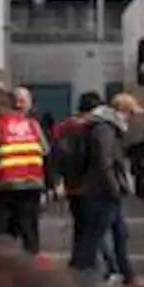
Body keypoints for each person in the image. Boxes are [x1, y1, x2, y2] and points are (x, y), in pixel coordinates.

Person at [73, 93, 144, 287]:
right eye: (131, 113)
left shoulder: (108, 127)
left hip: (106, 190)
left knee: (119, 233)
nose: (132, 118)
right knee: (95, 235)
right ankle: (81, 273)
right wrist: (114, 187)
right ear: (122, 111)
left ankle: (127, 274)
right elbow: (104, 162)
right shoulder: (104, 129)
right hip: (101, 191)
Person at [0, 89, 49, 254]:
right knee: (29, 231)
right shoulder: (32, 124)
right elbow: (45, 150)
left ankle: (3, 269)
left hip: (4, 185)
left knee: (2, 233)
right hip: (32, 183)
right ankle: (31, 268)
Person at [53, 92, 112, 273]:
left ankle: (79, 264)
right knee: (93, 230)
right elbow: (97, 158)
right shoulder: (91, 127)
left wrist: (57, 181)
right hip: (89, 185)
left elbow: (54, 155)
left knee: (80, 227)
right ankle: (87, 267)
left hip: (72, 184)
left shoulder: (62, 127)